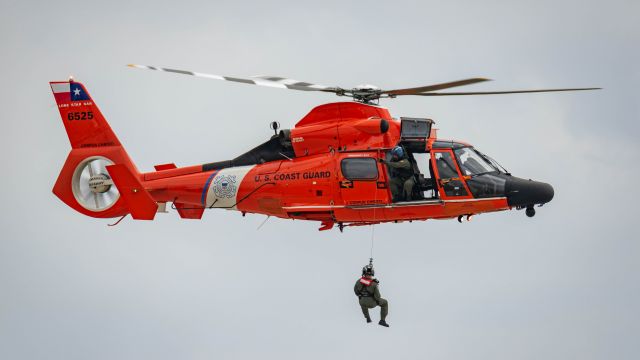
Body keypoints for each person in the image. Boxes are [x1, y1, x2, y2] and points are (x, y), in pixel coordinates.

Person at [354, 263, 389, 327]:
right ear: (372, 273)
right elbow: (377, 297)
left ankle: (368, 318)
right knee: (385, 303)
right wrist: (376, 285)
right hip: (372, 303)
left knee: (363, 302)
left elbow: (356, 292)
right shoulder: (374, 284)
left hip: (362, 302)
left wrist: (363, 295)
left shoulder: (358, 281)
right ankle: (382, 320)